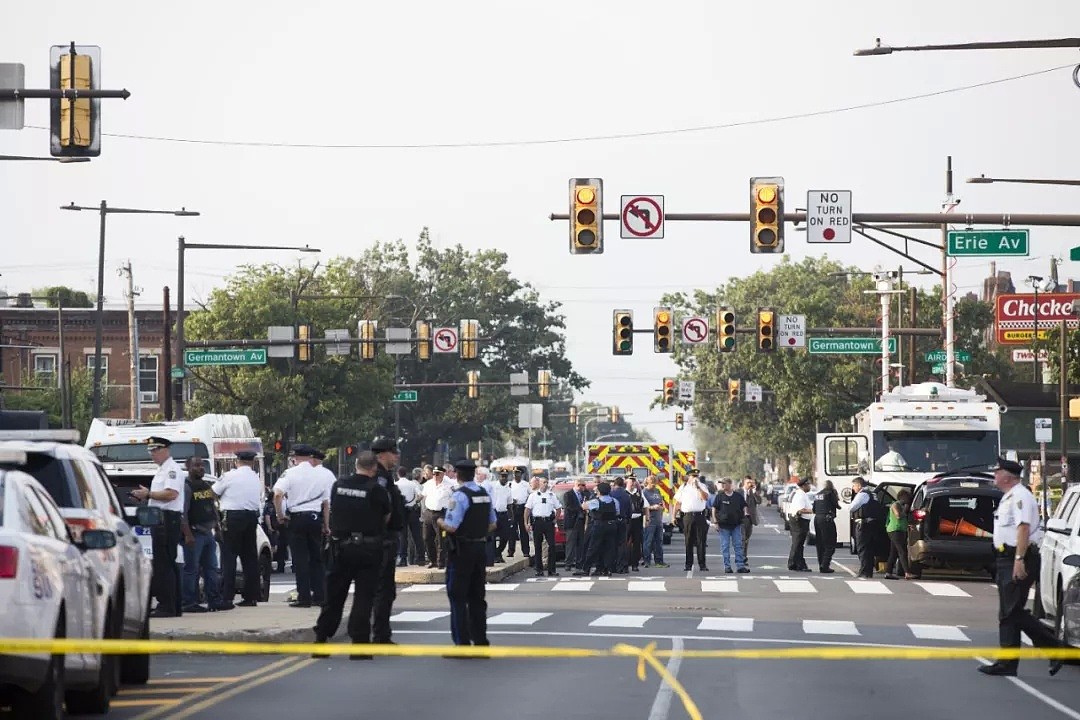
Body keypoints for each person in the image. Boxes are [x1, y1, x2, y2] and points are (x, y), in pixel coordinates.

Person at [980, 457, 1063, 677]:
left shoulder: (1021, 497)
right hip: (1006, 558)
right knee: (1009, 611)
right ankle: (1009, 662)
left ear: (1007, 476)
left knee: (1011, 611)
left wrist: (1019, 559)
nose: (995, 475)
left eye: (997, 472)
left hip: (1019, 558)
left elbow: (1023, 529)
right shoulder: (1009, 497)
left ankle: (1054, 648)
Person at [312, 451, 391, 660]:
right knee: (363, 598)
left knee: (334, 596)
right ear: (374, 468)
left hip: (341, 548)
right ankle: (359, 645)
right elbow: (386, 517)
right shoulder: (377, 490)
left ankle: (321, 639)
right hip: (368, 549)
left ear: (356, 464)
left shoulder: (339, 485)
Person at [437, 458, 496, 651]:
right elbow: (493, 524)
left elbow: (452, 526)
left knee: (458, 596)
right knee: (477, 597)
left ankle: (461, 643)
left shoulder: (459, 496)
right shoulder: (484, 494)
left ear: (458, 475)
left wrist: (439, 521)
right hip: (480, 549)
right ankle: (480, 640)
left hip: (461, 551)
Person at [130, 436, 185, 618]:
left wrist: (149, 494)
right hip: (161, 519)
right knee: (166, 562)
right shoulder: (163, 470)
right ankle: (172, 605)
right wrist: (145, 496)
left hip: (167, 519)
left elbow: (171, 494)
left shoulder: (171, 470)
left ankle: (167, 605)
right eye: (150, 451)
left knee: (164, 564)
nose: (152, 454)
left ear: (165, 450)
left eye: (155, 450)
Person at [273, 444, 331, 608]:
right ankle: (320, 596)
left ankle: (304, 597)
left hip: (297, 519)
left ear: (295, 458)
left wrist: (280, 516)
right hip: (315, 519)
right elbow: (326, 503)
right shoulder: (320, 475)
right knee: (316, 559)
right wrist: (326, 525)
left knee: (300, 559)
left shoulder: (290, 473)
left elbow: (277, 494)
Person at [213, 449, 265, 607]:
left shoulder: (229, 476)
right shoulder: (256, 478)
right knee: (250, 558)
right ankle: (251, 597)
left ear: (237, 461)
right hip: (251, 517)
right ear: (252, 462)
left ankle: (226, 597)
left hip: (232, 517)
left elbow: (213, 492)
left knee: (228, 557)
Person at [370, 436, 405, 645]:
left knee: (384, 590)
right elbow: (383, 510)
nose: (397, 456)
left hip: (383, 539)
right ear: (382, 454)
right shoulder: (380, 479)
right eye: (393, 452)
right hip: (382, 540)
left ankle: (381, 633)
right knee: (383, 590)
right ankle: (380, 635)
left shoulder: (385, 476)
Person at [180, 456, 227, 613]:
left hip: (208, 534)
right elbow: (183, 513)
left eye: (202, 465)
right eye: (196, 465)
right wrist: (187, 534)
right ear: (188, 467)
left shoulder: (206, 486)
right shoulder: (186, 487)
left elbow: (213, 508)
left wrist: (218, 529)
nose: (200, 468)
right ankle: (189, 602)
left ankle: (214, 600)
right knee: (192, 569)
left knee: (211, 568)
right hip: (195, 533)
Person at [524, 476, 561, 577]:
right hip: (537, 522)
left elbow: (558, 508)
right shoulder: (533, 495)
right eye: (543, 482)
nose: (545, 484)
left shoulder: (551, 495)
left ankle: (551, 570)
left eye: (546, 482)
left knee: (552, 546)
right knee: (537, 546)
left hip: (548, 522)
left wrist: (555, 519)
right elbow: (527, 510)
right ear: (539, 483)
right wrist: (526, 523)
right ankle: (539, 569)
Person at [674, 469, 710, 572]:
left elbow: (705, 498)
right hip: (687, 516)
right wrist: (673, 516)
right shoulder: (684, 487)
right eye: (693, 476)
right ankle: (688, 564)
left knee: (701, 541)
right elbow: (678, 503)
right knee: (688, 541)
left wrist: (698, 487)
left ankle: (702, 564)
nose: (695, 478)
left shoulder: (702, 486)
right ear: (688, 477)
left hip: (700, 515)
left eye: (696, 476)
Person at [711, 478, 749, 573]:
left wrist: (745, 513)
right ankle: (727, 566)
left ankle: (740, 566)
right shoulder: (720, 496)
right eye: (721, 484)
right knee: (725, 546)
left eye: (724, 484)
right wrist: (715, 522)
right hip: (724, 526)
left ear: (730, 484)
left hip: (736, 525)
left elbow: (744, 505)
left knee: (738, 545)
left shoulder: (737, 496)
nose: (723, 486)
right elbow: (714, 509)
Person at [849, 477, 882, 578]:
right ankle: (868, 571)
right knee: (869, 548)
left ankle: (864, 571)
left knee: (862, 548)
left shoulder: (862, 495)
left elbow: (851, 507)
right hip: (873, 524)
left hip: (863, 525)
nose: (853, 488)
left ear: (859, 485)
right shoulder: (872, 493)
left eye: (854, 486)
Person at [884, 488, 915, 580]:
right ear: (902, 497)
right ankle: (907, 573)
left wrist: (908, 525)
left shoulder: (900, 505)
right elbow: (898, 516)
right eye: (907, 498)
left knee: (893, 553)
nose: (908, 500)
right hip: (895, 530)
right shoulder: (896, 505)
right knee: (902, 551)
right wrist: (905, 510)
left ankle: (888, 572)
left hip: (899, 530)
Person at [812, 479, 840, 573]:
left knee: (820, 543)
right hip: (827, 519)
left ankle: (821, 564)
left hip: (817, 519)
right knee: (830, 543)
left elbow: (814, 509)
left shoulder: (818, 494)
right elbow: (836, 505)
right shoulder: (830, 493)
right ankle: (825, 565)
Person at [640, 476, 668, 569]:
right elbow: (643, 507)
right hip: (650, 520)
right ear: (647, 482)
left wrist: (662, 506)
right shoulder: (644, 492)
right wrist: (652, 507)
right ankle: (646, 561)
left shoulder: (657, 491)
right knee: (648, 541)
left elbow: (661, 501)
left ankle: (659, 561)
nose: (654, 485)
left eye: (655, 483)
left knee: (659, 541)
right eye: (652, 483)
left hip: (658, 520)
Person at [786, 477, 813, 572]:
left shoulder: (802, 494)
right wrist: (813, 510)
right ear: (804, 485)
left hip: (800, 521)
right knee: (798, 543)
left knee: (798, 543)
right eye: (808, 484)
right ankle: (796, 564)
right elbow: (801, 510)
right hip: (799, 521)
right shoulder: (800, 495)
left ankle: (795, 563)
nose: (809, 486)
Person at [741, 476, 760, 566]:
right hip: (741, 518)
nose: (750, 484)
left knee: (747, 539)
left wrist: (754, 491)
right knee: (742, 538)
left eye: (751, 483)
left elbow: (759, 501)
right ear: (744, 483)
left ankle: (744, 556)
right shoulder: (738, 492)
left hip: (749, 518)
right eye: (748, 483)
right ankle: (741, 558)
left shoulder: (752, 493)